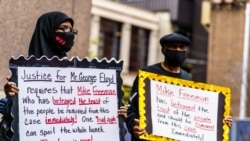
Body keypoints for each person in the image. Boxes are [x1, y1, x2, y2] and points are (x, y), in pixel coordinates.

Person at [125, 33, 233, 141]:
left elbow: (193, 115)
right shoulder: (147, 74)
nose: (178, 50)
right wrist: (133, 128)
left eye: (181, 47)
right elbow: (131, 109)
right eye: (173, 46)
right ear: (163, 50)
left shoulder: (187, 79)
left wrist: (221, 122)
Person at [0, 11, 77, 141]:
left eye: (71, 30)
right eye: (63, 28)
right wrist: (11, 95)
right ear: (47, 30)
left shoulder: (74, 72)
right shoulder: (26, 73)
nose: (68, 33)